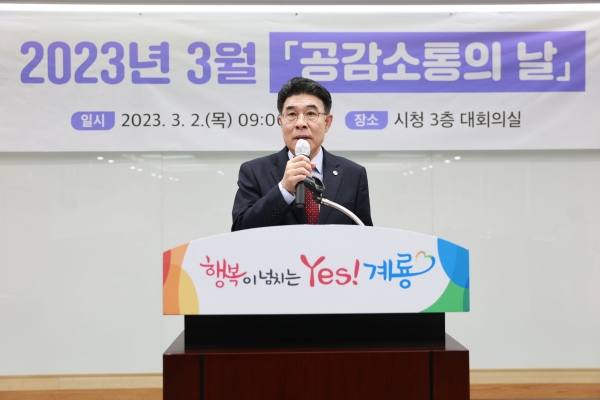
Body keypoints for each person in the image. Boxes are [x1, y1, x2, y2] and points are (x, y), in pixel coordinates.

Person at [231, 77, 373, 231]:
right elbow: (240, 231)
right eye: (292, 114)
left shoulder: (353, 174)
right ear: (281, 122)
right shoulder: (255, 172)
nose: (300, 123)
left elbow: (365, 235)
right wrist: (283, 190)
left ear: (327, 123)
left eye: (310, 113)